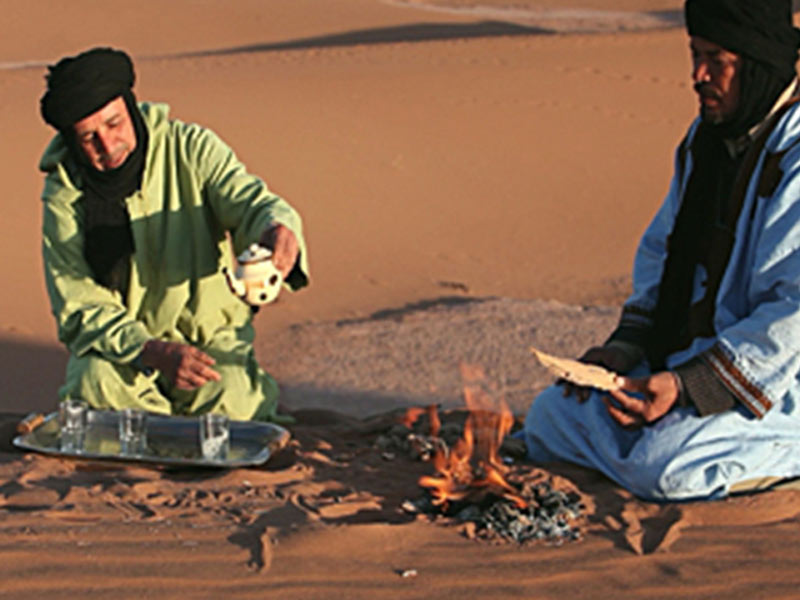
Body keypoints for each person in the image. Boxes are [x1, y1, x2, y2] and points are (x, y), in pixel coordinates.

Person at [520, 0, 800, 500]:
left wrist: (691, 386)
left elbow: (794, 313)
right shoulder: (707, 140)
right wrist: (627, 350)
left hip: (776, 383)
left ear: (757, 61)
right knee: (550, 415)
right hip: (694, 362)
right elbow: (664, 252)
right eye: (695, 54)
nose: (698, 74)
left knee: (663, 465)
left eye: (717, 59)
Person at [39, 47, 308, 423]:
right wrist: (150, 351)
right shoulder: (65, 194)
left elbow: (249, 201)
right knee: (95, 385)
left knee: (232, 402)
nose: (107, 145)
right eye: (89, 138)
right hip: (127, 354)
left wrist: (277, 228)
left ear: (131, 108)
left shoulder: (190, 148)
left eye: (114, 124)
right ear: (72, 142)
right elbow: (79, 304)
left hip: (207, 343)